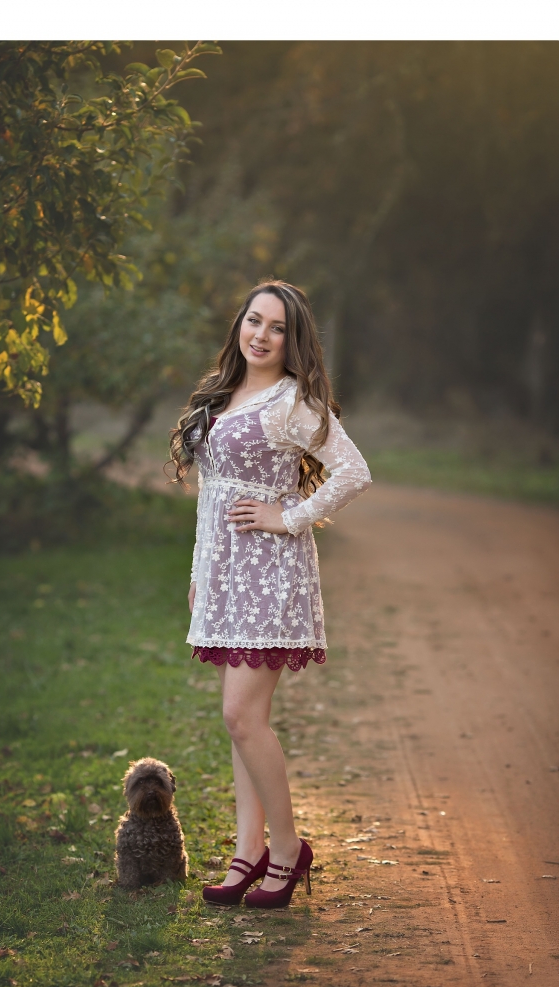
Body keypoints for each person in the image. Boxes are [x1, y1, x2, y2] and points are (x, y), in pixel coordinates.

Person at [169, 280, 372, 908]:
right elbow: (211, 497)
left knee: (241, 716)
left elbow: (354, 471)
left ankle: (286, 849)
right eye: (253, 321)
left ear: (294, 338)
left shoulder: (293, 403)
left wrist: (291, 516)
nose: (261, 335)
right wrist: (201, 573)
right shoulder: (226, 394)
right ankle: (248, 850)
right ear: (240, 326)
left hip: (271, 575)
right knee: (243, 724)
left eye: (276, 327)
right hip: (227, 578)